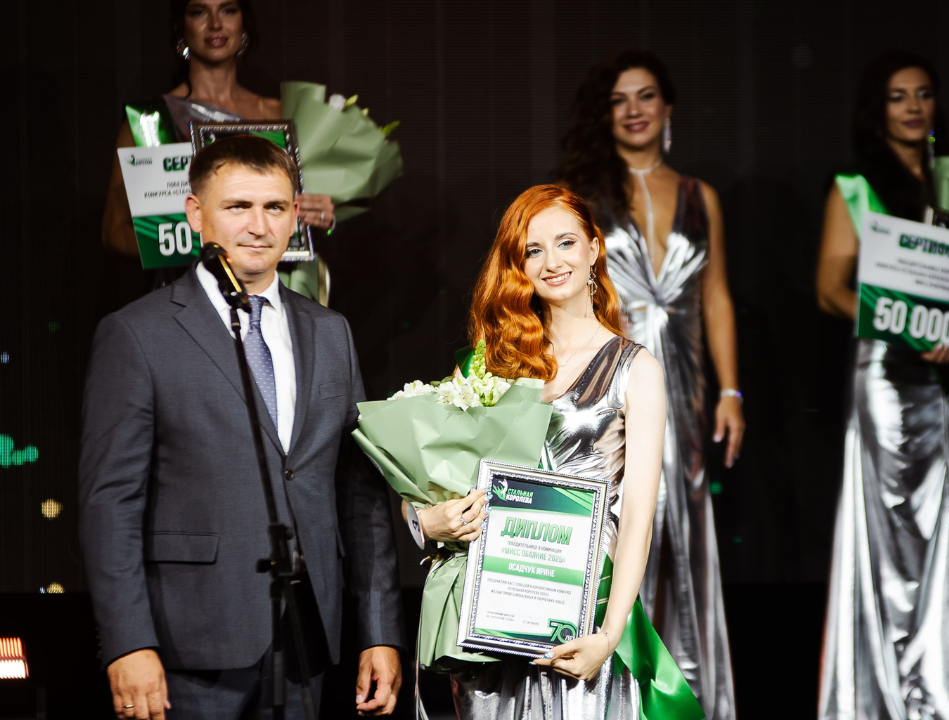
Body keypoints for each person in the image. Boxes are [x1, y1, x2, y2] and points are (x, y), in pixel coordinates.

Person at [79, 135, 404, 720]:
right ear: (195, 213)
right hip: (186, 644)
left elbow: (361, 497)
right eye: (238, 207)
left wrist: (379, 631)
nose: (258, 225)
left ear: (295, 215)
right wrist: (128, 642)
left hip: (307, 636)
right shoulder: (137, 334)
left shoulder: (330, 332)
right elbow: (110, 503)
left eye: (274, 207)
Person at [417, 185, 699, 718]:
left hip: (586, 617)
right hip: (494, 619)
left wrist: (609, 635)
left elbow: (637, 519)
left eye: (565, 242)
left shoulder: (637, 369)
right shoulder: (488, 364)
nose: (552, 262)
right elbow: (426, 474)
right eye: (533, 250)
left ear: (594, 248)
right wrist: (425, 522)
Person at [815, 50, 949, 720]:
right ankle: (886, 700)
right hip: (888, 377)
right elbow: (828, 290)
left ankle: (947, 697)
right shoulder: (856, 186)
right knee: (895, 534)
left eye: (923, 93)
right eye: (898, 96)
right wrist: (902, 324)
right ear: (876, 110)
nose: (913, 106)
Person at [557, 50, 740, 719]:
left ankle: (679, 697)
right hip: (609, 380)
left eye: (646, 96)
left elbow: (715, 297)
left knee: (678, 534)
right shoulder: (580, 194)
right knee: (616, 524)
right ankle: (610, 692)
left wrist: (730, 392)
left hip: (684, 391)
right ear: (603, 113)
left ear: (668, 108)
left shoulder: (700, 196)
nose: (634, 110)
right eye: (619, 99)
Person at [102, 0, 334, 272]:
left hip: (273, 285)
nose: (215, 24)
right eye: (199, 12)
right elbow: (113, 234)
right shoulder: (150, 122)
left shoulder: (280, 113)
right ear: (180, 26)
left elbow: (297, 218)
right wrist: (196, 246)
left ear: (243, 22)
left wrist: (323, 221)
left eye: (228, 10)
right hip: (186, 288)